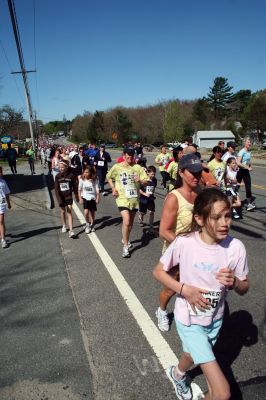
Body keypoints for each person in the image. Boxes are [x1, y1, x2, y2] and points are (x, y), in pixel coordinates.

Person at [153, 188, 249, 400]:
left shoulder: (236, 248)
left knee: (190, 353)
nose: (225, 223)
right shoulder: (185, 242)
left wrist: (234, 282)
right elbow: (158, 271)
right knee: (222, 393)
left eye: (228, 216)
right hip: (188, 320)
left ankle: (177, 374)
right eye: (216, 217)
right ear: (200, 218)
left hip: (215, 319)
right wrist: (184, 290)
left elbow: (245, 288)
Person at [156, 154, 202, 331]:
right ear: (182, 173)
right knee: (171, 289)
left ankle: (191, 315)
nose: (197, 176)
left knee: (195, 286)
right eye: (193, 173)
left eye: (199, 173)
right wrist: (187, 247)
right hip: (175, 253)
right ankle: (161, 311)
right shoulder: (174, 197)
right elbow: (163, 231)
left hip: (197, 252)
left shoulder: (199, 194)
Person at [107, 148, 148, 258]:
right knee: (127, 220)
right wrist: (113, 188)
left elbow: (146, 180)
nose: (130, 158)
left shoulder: (137, 167)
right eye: (128, 156)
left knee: (130, 224)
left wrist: (139, 180)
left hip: (134, 199)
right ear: (124, 155)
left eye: (131, 156)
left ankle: (126, 238)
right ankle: (125, 247)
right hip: (122, 198)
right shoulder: (117, 167)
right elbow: (109, 176)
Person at [54, 160, 79, 238]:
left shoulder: (71, 176)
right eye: (59, 167)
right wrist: (59, 200)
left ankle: (71, 230)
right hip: (61, 197)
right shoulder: (57, 176)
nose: (61, 168)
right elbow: (56, 189)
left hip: (68, 196)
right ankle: (64, 225)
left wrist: (76, 196)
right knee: (62, 211)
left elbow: (75, 187)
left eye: (62, 167)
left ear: (66, 167)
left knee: (69, 211)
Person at [78, 166, 100, 233]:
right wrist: (80, 198)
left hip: (92, 197)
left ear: (90, 172)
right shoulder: (82, 179)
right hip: (85, 197)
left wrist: (98, 198)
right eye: (84, 172)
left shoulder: (95, 179)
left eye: (87, 172)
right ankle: (87, 224)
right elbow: (79, 189)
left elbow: (97, 189)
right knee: (86, 212)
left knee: (92, 212)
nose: (85, 174)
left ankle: (92, 224)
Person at [236, 137, 255, 211]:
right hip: (240, 171)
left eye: (250, 142)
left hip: (246, 171)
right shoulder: (242, 151)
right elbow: (238, 163)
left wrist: (250, 166)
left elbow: (248, 160)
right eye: (248, 142)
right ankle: (231, 199)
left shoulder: (249, 151)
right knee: (236, 187)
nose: (249, 143)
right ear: (244, 143)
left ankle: (249, 204)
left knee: (248, 187)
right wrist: (247, 167)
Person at [138, 165, 157, 233]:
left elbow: (153, 188)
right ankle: (141, 217)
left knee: (151, 212)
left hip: (151, 199)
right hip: (143, 199)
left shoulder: (155, 180)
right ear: (147, 173)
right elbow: (139, 189)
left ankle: (151, 227)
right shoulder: (144, 180)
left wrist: (151, 193)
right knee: (143, 212)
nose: (153, 175)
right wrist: (144, 194)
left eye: (154, 174)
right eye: (152, 174)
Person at [0, 166, 11, 248]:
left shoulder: (3, 182)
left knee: (1, 221)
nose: (1, 173)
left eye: (1, 172)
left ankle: (3, 240)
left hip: (2, 203)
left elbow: (7, 193)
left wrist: (9, 203)